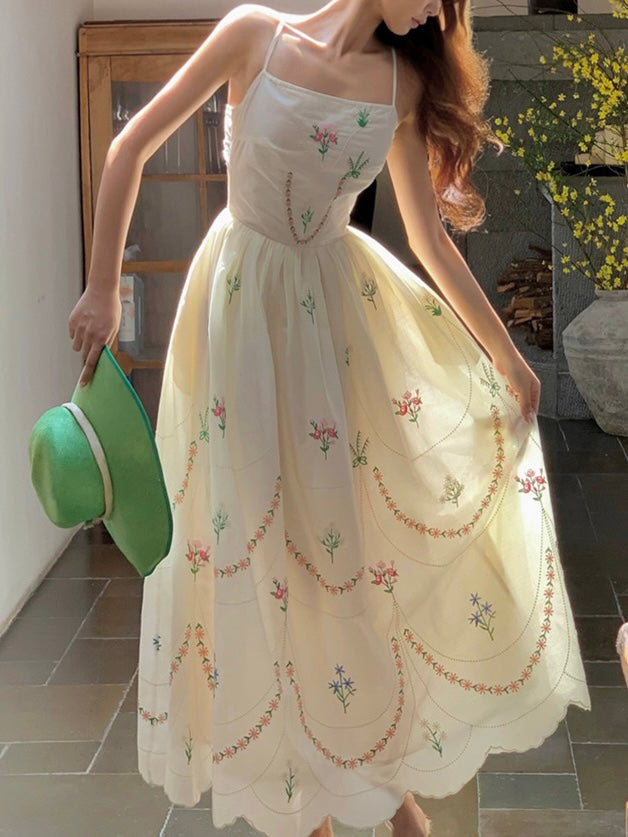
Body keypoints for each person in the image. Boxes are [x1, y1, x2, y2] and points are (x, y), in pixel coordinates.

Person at [68, 1, 591, 835]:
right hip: (239, 318)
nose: (433, 10)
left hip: (332, 327)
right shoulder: (254, 35)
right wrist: (102, 288)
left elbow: (429, 237)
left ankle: (380, 795)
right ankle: (322, 805)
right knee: (258, 559)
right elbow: (129, 147)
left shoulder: (401, 82)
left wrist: (508, 357)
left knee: (338, 561)